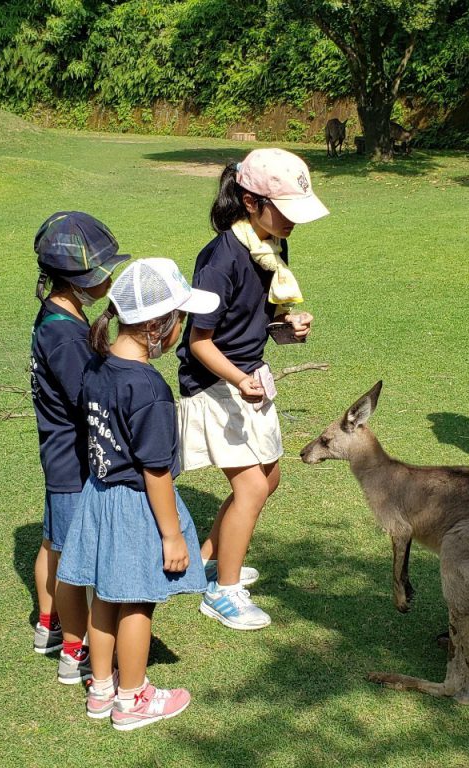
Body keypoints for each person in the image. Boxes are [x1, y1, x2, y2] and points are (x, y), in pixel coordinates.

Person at [56, 258, 218, 729]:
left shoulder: (98, 368)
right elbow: (155, 472)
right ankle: (132, 698)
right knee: (137, 602)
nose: (182, 329)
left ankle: (101, 688)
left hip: (99, 494)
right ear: (156, 325)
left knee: (104, 594)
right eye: (180, 319)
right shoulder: (149, 388)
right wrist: (172, 535)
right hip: (134, 507)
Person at [176, 148, 329, 630]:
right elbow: (199, 340)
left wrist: (286, 327)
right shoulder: (220, 259)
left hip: (248, 377)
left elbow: (254, 322)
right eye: (284, 210)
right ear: (249, 200)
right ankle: (222, 592)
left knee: (270, 478)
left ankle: (209, 562)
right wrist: (239, 378)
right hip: (215, 382)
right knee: (251, 486)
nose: (292, 222)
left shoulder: (269, 245)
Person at [30, 211, 128, 684]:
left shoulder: (58, 315)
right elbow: (86, 397)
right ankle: (74, 651)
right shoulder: (64, 335)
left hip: (58, 456)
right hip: (72, 461)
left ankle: (47, 626)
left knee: (53, 541)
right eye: (102, 272)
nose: (109, 279)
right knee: (72, 562)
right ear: (76, 280)